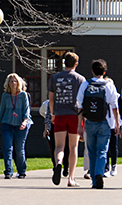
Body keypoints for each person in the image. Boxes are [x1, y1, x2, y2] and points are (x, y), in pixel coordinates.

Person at [76, 59, 120, 189]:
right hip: (105, 122)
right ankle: (100, 173)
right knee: (102, 150)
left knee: (91, 151)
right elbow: (115, 106)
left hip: (89, 122)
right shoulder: (109, 85)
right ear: (104, 72)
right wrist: (116, 123)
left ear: (92, 71)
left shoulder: (85, 85)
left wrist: (79, 125)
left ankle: (95, 180)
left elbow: (79, 106)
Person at [49, 51, 86, 187]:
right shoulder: (80, 79)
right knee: (73, 147)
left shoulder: (54, 78)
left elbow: (51, 100)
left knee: (59, 146)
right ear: (76, 64)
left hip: (59, 114)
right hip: (74, 116)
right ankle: (71, 178)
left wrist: (53, 114)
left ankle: (58, 163)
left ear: (64, 62)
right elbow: (82, 102)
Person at [0, 73, 32, 179]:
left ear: (18, 83)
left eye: (15, 81)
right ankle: (8, 171)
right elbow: (1, 111)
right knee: (7, 147)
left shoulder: (23, 95)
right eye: (11, 81)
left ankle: (21, 171)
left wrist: (25, 121)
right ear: (8, 83)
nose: (13, 83)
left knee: (19, 149)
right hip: (7, 124)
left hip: (21, 125)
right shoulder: (5, 96)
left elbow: (27, 110)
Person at [40, 100, 70, 178]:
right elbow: (47, 116)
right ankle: (61, 167)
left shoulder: (50, 102)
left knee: (55, 148)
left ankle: (58, 166)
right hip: (62, 127)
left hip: (53, 127)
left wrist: (46, 128)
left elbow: (47, 117)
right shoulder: (49, 103)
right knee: (64, 148)